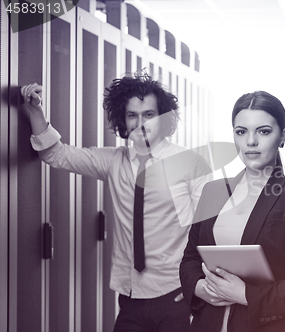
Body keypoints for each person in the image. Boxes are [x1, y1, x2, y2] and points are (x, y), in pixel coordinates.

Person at [21, 73, 212, 332]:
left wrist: (197, 282)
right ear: (123, 120)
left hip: (176, 294)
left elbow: (209, 228)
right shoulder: (113, 161)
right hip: (131, 297)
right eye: (132, 115)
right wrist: (35, 110)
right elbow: (55, 154)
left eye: (149, 115)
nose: (141, 123)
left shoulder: (191, 163)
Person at [180, 91, 285, 332]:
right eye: (241, 131)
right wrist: (200, 289)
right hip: (208, 322)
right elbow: (190, 259)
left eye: (263, 131)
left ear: (282, 137)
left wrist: (246, 294)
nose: (251, 141)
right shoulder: (212, 191)